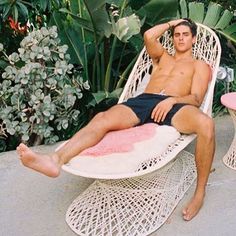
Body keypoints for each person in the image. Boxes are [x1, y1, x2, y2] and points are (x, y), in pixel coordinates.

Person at [17, 18, 214, 221]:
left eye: (185, 34)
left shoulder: (199, 65)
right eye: (177, 34)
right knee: (102, 118)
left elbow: (196, 98)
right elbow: (148, 36)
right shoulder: (162, 57)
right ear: (172, 38)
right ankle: (55, 160)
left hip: (176, 105)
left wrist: (171, 101)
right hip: (144, 101)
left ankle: (200, 193)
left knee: (206, 124)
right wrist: (173, 23)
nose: (181, 38)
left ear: (194, 39)